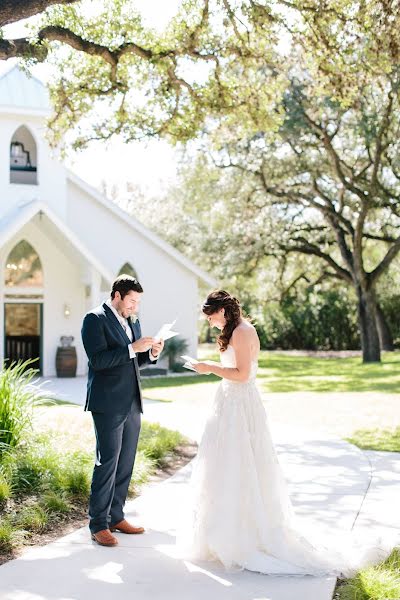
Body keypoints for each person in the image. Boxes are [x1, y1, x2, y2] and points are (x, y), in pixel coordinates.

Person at [179, 289, 397, 576]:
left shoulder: (243, 331)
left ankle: (246, 535)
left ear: (221, 310)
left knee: (242, 465)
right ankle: (222, 532)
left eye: (209, 316)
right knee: (224, 467)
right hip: (228, 403)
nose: (209, 323)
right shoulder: (234, 330)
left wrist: (208, 367)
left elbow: (243, 375)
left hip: (240, 405)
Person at [81, 275, 164, 547]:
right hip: (107, 404)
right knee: (107, 462)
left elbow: (133, 361)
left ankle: (116, 516)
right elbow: (99, 360)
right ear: (116, 295)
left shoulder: (133, 321)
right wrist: (131, 348)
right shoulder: (93, 319)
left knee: (125, 463)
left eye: (138, 303)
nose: (134, 308)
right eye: (131, 302)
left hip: (132, 402)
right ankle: (98, 524)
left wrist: (150, 353)